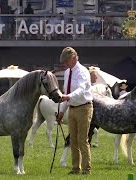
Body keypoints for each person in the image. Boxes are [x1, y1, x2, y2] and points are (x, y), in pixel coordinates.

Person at [56, 47, 93, 175]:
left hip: (84, 108)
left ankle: (86, 170)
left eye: (67, 60)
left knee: (82, 140)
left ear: (74, 57)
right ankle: (75, 168)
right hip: (72, 108)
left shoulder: (82, 72)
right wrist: (61, 112)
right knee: (73, 140)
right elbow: (66, 93)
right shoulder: (67, 73)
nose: (65, 63)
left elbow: (81, 90)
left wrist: (68, 97)